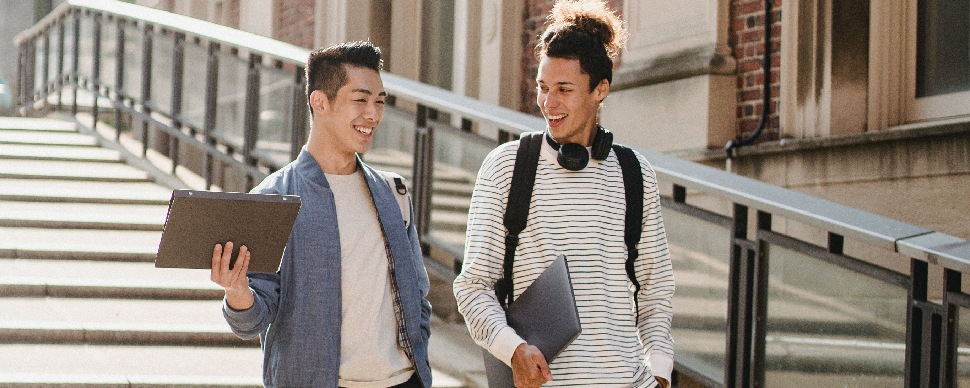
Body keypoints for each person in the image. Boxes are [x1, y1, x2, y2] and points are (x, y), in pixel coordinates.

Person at [452, 1, 675, 387]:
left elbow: (655, 291)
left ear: (600, 89)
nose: (548, 103)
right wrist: (514, 350)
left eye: (564, 90)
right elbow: (472, 287)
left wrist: (660, 373)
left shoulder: (635, 173)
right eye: (542, 87)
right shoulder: (507, 167)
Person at [209, 41, 432, 388]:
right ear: (320, 102)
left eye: (379, 102)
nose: (372, 115)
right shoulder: (274, 197)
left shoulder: (393, 192)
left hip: (404, 381)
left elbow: (417, 293)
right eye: (360, 100)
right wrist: (236, 291)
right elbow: (249, 322)